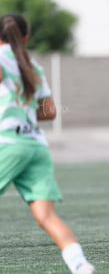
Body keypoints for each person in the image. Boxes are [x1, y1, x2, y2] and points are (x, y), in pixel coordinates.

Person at [0, 14, 96, 273]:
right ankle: (80, 265)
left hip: (8, 143)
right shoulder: (33, 66)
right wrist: (27, 110)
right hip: (36, 146)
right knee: (46, 216)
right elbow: (50, 111)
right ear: (26, 38)